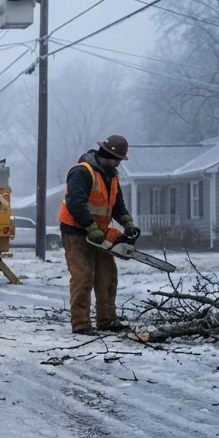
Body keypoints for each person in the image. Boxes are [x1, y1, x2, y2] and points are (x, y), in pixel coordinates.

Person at [58, 134, 140, 335]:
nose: (118, 163)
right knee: (83, 276)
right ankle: (81, 323)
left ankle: (107, 320)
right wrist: (90, 227)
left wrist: (128, 224)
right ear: (108, 154)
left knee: (107, 276)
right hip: (76, 231)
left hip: (100, 232)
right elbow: (75, 203)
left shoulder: (112, 175)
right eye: (117, 159)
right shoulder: (82, 172)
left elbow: (117, 204)